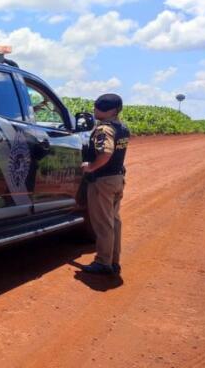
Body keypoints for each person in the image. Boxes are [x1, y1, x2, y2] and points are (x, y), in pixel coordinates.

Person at [80, 93, 130, 276]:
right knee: (114, 221)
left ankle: (103, 263)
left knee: (103, 224)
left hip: (103, 181)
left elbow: (106, 153)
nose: (95, 110)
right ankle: (113, 261)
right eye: (96, 106)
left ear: (112, 111)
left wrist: (90, 167)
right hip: (117, 179)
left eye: (100, 107)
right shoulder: (122, 127)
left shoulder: (105, 129)